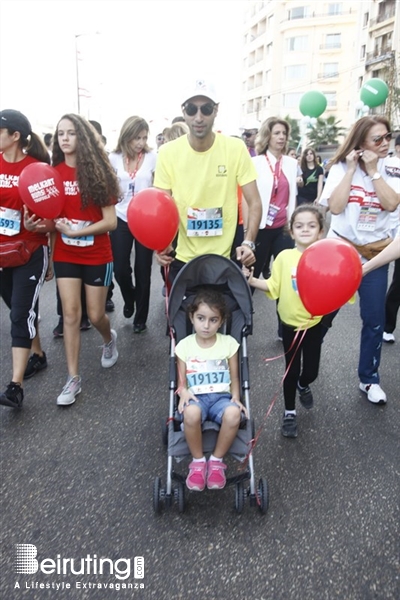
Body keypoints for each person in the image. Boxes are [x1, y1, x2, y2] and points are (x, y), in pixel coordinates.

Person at [319, 116, 400, 405]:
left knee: (374, 321)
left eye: (387, 137)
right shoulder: (341, 168)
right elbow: (336, 207)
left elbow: (391, 203)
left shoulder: (393, 168)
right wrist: (353, 169)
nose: (385, 143)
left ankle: (369, 379)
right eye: (377, 139)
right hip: (340, 253)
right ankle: (305, 373)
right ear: (361, 143)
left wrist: (374, 171)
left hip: (375, 255)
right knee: (322, 316)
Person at [154, 78, 262, 282]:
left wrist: (249, 243)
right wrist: (161, 244)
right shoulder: (167, 153)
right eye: (192, 109)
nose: (199, 117)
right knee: (187, 315)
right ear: (183, 111)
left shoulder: (235, 148)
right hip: (182, 257)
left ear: (216, 110)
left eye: (206, 108)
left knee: (225, 314)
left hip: (225, 257)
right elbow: (160, 207)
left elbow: (254, 201)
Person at [51, 113, 120, 405]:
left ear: (83, 137)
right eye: (60, 134)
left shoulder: (98, 173)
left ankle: (109, 339)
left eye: (71, 133)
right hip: (65, 253)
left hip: (96, 253)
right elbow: (49, 217)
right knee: (70, 315)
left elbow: (111, 222)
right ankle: (73, 378)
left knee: (95, 316)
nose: (65, 138)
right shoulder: (51, 173)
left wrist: (79, 232)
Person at [245, 205, 326, 438]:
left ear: (320, 231)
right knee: (290, 370)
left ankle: (304, 383)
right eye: (299, 226)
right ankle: (289, 412)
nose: (305, 230)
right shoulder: (284, 257)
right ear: (291, 231)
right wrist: (251, 280)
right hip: (290, 325)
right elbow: (273, 286)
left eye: (311, 225)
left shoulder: (324, 257)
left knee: (311, 371)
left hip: (314, 324)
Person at [0, 109, 51, 408]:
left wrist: (38, 226)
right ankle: (39, 355)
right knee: (21, 312)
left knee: (20, 314)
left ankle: (15, 387)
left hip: (30, 251)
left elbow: (52, 218)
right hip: (2, 254)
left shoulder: (37, 170)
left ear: (15, 135)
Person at [175, 288, 248, 490]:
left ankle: (216, 461)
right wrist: (182, 392)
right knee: (190, 413)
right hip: (196, 396)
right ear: (191, 317)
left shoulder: (229, 344)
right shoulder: (184, 346)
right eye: (201, 318)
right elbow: (181, 379)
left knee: (234, 414)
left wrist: (236, 396)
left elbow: (235, 377)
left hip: (221, 398)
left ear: (221, 321)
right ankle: (198, 463)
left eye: (213, 320)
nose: (206, 325)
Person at [108, 116, 157, 333]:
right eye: (137, 137)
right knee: (120, 268)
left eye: (144, 137)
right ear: (127, 135)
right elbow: (108, 185)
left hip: (146, 218)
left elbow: (159, 186)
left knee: (143, 269)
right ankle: (129, 297)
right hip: (121, 216)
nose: (140, 142)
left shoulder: (152, 157)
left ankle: (141, 317)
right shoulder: (114, 157)